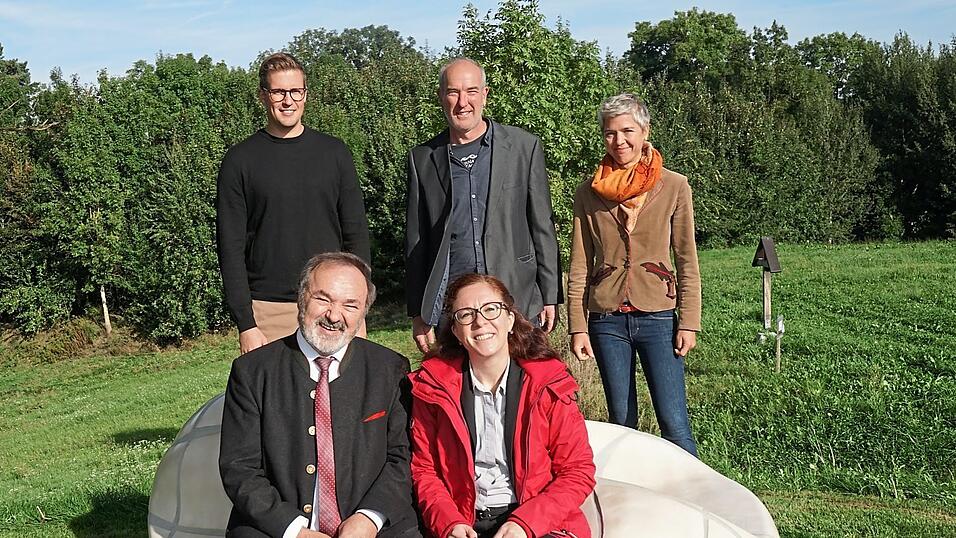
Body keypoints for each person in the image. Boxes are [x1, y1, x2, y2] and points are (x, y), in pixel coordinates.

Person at [219, 252, 420, 538]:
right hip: (276, 528)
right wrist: (294, 530)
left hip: (372, 526)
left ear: (364, 312)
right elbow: (239, 469)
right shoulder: (252, 371)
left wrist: (368, 518)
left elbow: (402, 457)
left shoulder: (389, 369)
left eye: (350, 305)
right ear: (302, 298)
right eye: (323, 299)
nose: (334, 315)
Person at [409, 273, 595, 538]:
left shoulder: (548, 383)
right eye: (466, 314)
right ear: (455, 330)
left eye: (490, 309)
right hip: (463, 520)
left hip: (537, 519)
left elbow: (577, 470)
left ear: (510, 319)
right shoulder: (432, 389)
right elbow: (424, 470)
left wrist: (525, 523)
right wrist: (448, 522)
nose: (480, 321)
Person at [567, 93, 701, 456]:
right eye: (610, 133)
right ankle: (631, 504)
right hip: (607, 322)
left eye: (628, 131)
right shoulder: (588, 192)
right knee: (621, 424)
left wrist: (688, 321)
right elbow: (579, 264)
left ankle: (693, 500)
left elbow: (686, 258)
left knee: (674, 423)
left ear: (645, 132)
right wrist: (578, 326)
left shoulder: (674, 186)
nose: (619, 141)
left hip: (659, 317)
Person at [405, 57, 562, 354]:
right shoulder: (423, 158)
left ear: (485, 94)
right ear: (441, 97)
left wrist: (550, 293)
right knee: (460, 390)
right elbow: (417, 241)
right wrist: (418, 311)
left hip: (517, 295)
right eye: (453, 92)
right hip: (452, 306)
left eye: (471, 91)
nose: (463, 102)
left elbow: (542, 224)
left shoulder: (523, 147)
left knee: (521, 386)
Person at [217, 52, 371, 354]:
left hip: (334, 305)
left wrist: (359, 305)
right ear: (263, 95)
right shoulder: (240, 161)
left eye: (295, 91)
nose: (288, 100)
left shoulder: (334, 153)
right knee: (277, 402)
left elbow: (356, 234)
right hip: (269, 312)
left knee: (345, 400)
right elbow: (230, 249)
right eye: (278, 92)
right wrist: (246, 324)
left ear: (305, 94)